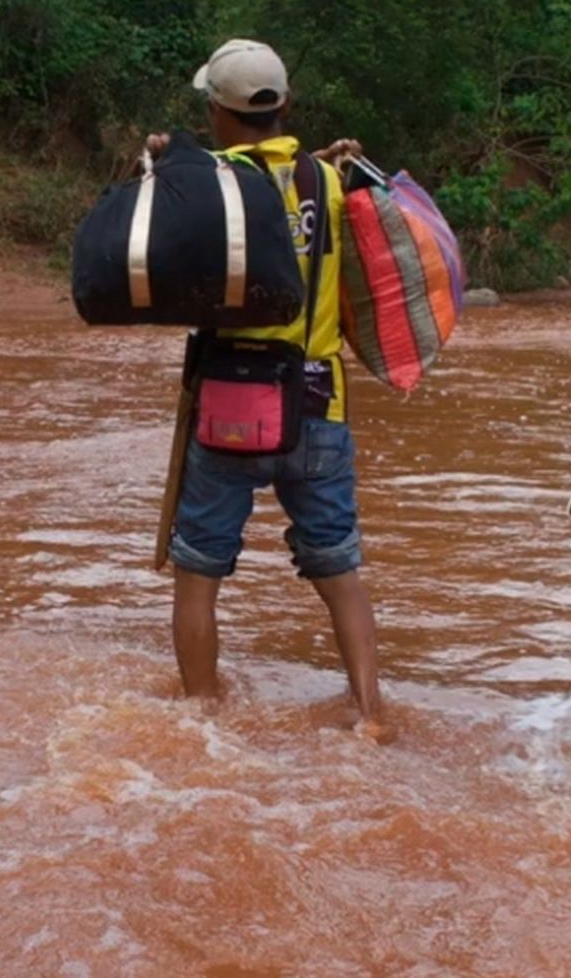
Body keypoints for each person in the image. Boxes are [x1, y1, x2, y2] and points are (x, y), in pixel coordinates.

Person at [153, 39, 388, 739]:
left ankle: (200, 718)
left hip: (228, 410)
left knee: (198, 573)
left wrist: (167, 152)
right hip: (319, 407)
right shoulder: (331, 183)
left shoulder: (202, 182)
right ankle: (370, 716)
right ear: (284, 106)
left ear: (219, 114)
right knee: (339, 569)